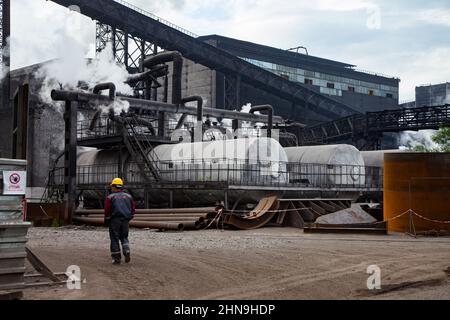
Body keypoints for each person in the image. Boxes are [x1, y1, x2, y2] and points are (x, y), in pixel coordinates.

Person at [104, 178, 135, 265]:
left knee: (114, 238)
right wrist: (130, 217)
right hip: (125, 220)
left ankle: (116, 258)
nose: (111, 188)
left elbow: (107, 210)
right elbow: (133, 209)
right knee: (124, 236)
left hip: (114, 220)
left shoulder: (110, 197)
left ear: (114, 186)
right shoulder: (129, 196)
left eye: (112, 187)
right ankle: (127, 250)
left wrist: (107, 218)